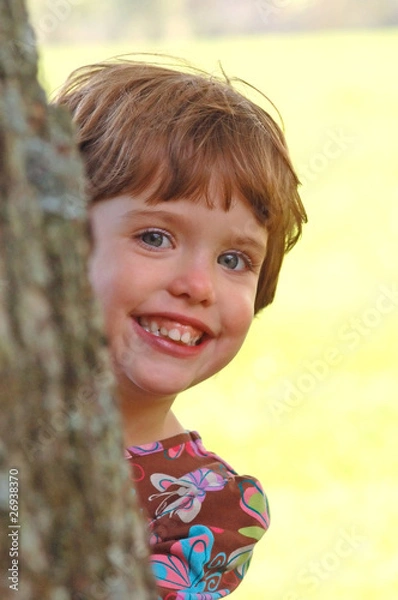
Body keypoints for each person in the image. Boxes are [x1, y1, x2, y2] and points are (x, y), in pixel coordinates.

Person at [55, 56, 307, 599]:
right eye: (154, 237)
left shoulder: (205, 514)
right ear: (51, 244)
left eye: (235, 260)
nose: (198, 285)